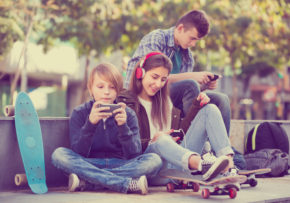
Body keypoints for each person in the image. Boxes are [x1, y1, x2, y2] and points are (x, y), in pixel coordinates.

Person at [124, 10, 245, 169]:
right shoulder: (156, 39)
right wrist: (193, 77)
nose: (193, 44)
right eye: (192, 38)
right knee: (190, 85)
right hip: (144, 107)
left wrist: (204, 87)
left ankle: (224, 159)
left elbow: (181, 91)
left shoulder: (187, 56)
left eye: (197, 40)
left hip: (172, 112)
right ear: (180, 28)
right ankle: (203, 162)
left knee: (218, 101)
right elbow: (154, 74)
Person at [118, 52, 238, 185]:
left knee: (210, 110)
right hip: (153, 169)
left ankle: (229, 168)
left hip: (178, 165)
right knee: (161, 140)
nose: (158, 84)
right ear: (140, 73)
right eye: (155, 77)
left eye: (163, 79)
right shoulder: (127, 103)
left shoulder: (164, 102)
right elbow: (125, 147)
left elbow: (181, 133)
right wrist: (153, 140)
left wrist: (196, 106)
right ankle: (202, 165)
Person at [51, 63, 163, 195]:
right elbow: (78, 152)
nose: (106, 92)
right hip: (90, 163)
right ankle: (123, 184)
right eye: (100, 86)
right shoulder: (79, 113)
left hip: (121, 164)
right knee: (59, 155)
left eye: (112, 87)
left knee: (154, 161)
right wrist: (91, 124)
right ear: (90, 88)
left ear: (118, 90)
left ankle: (89, 182)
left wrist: (123, 127)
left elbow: (134, 154)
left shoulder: (128, 113)